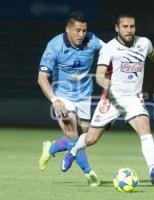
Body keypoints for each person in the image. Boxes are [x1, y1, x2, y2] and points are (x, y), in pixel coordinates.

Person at [61, 14, 154, 185]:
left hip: (133, 98)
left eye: (132, 26)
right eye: (125, 27)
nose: (129, 30)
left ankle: (153, 170)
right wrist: (104, 82)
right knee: (91, 139)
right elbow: (100, 75)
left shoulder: (144, 43)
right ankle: (73, 151)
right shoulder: (109, 49)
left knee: (145, 128)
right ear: (117, 28)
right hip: (111, 100)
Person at [38, 11, 105, 187]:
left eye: (84, 30)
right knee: (72, 135)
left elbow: (111, 51)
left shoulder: (92, 40)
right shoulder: (55, 45)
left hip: (84, 97)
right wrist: (55, 100)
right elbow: (42, 78)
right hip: (62, 97)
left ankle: (50, 148)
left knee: (84, 139)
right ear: (68, 29)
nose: (81, 35)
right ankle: (89, 173)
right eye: (77, 30)